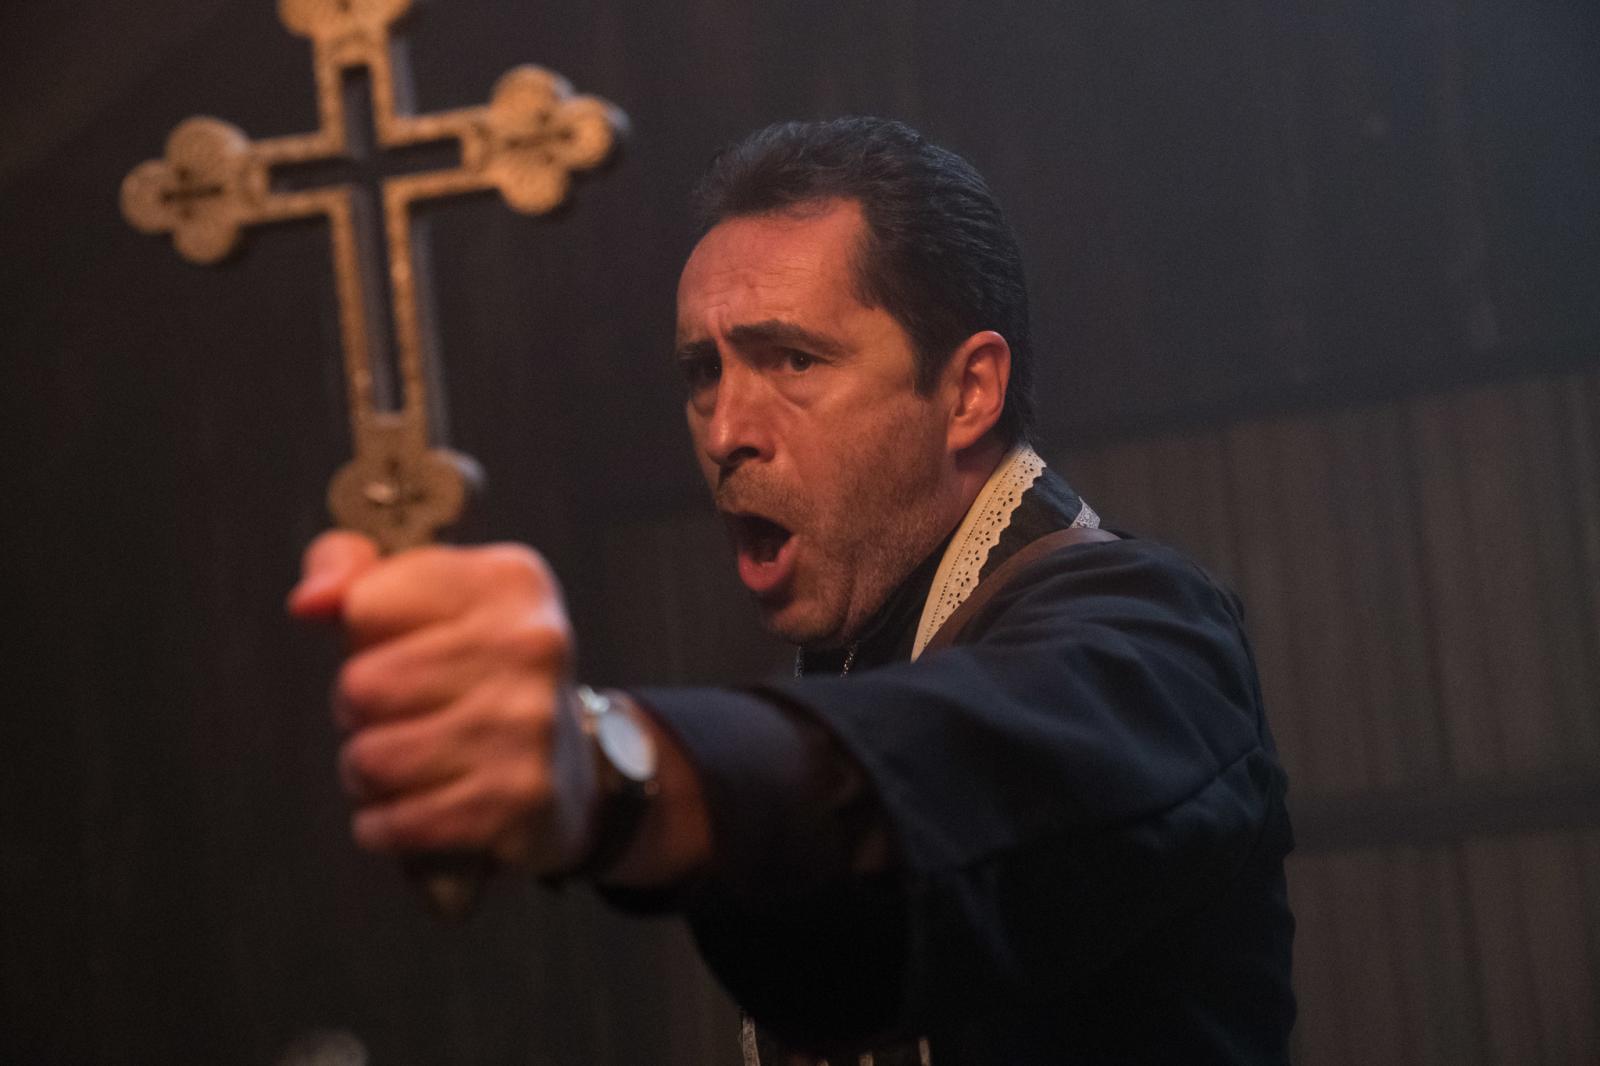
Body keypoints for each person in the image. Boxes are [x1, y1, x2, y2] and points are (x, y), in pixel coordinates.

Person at [288, 117, 1296, 1065]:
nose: (727, 431)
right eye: (702, 372)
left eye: (793, 360)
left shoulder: (1155, 636)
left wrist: (605, 766)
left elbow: (969, 767)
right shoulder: (858, 643)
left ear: (968, 392)